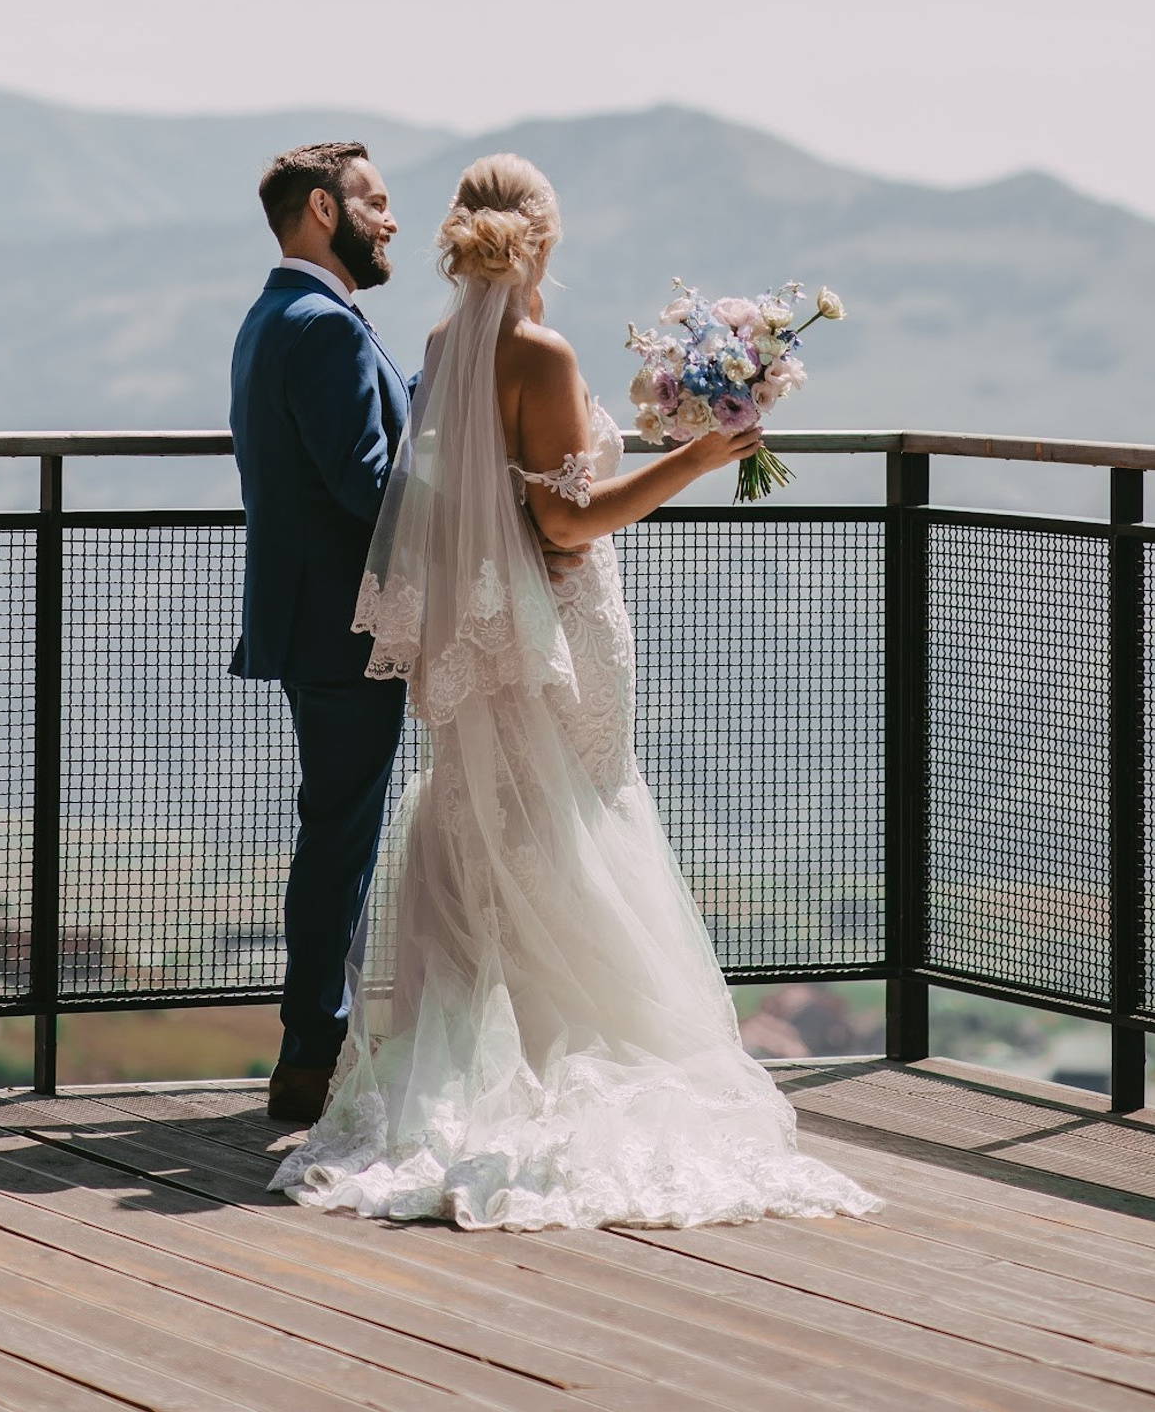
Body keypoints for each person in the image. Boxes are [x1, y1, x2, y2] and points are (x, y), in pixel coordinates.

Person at [272, 151, 878, 1230]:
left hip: (489, 647)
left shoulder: (443, 344)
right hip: (560, 636)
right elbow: (564, 521)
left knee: (500, 831)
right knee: (572, 834)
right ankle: (572, 1067)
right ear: (544, 239)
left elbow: (484, 499)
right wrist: (700, 458)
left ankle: (495, 1069)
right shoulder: (540, 353)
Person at [229, 140, 410, 1127]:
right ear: (324, 209)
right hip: (345, 625)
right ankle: (311, 1056)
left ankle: (318, 1050)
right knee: (340, 840)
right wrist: (490, 511)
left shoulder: (276, 315)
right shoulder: (323, 326)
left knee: (336, 831)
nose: (392, 219)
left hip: (311, 619)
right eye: (374, 201)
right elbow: (367, 483)